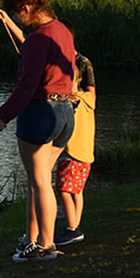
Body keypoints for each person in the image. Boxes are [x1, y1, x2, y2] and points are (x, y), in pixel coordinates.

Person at [0, 0, 76, 262]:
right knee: (35, 182)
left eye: (16, 14)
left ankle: (45, 245)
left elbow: (26, 88)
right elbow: (43, 55)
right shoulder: (61, 30)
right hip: (65, 115)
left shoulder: (38, 39)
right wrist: (8, 24)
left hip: (39, 115)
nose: (17, 18)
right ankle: (31, 239)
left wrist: (1, 118)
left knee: (39, 183)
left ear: (26, 7)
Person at [55, 48, 95, 245]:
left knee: (63, 189)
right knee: (77, 191)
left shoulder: (73, 101)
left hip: (72, 150)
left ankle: (72, 229)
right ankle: (74, 227)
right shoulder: (85, 100)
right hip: (85, 152)